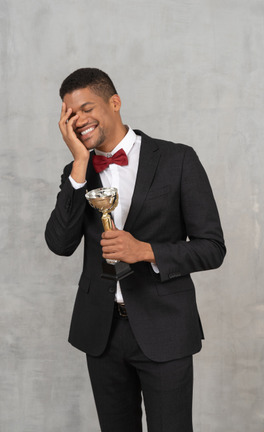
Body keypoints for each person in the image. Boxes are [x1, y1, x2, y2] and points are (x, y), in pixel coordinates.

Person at [45, 68, 226, 432]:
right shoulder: (76, 172)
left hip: (165, 328)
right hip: (101, 332)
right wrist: (79, 166)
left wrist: (146, 251)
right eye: (69, 114)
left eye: (86, 108)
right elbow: (60, 244)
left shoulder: (178, 160)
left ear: (115, 102)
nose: (79, 120)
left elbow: (212, 248)